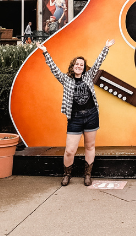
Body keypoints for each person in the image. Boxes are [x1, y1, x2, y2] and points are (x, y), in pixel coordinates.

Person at [36, 39, 115, 186]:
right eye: (77, 64)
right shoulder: (66, 79)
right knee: (70, 150)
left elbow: (98, 62)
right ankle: (67, 174)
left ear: (84, 68)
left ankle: (87, 175)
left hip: (91, 115)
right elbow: (54, 69)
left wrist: (106, 47)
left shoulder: (88, 76)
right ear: (73, 66)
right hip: (75, 118)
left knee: (90, 146)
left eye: (82, 65)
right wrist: (45, 51)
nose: (79, 66)